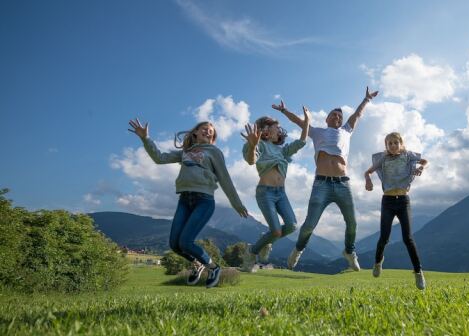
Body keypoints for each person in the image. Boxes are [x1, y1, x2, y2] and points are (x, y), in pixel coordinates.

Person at [128, 118, 248, 288]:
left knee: (186, 241)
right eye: (205, 129)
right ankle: (197, 264)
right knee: (175, 244)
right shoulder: (185, 152)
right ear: (196, 132)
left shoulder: (214, 151)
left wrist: (236, 204)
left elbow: (225, 178)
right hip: (184, 200)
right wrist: (145, 139)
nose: (208, 132)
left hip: (204, 200)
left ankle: (213, 267)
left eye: (211, 132)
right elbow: (159, 158)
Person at [273, 87, 378, 271]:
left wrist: (366, 99)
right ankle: (298, 249)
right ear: (327, 118)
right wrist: (284, 111)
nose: (337, 117)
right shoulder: (317, 132)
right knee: (309, 225)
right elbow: (299, 122)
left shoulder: (347, 131)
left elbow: (357, 115)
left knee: (352, 223)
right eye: (334, 115)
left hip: (342, 184)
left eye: (340, 116)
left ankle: (349, 251)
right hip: (321, 183)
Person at [240, 106, 311, 270]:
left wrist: (307, 121)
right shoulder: (259, 145)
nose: (280, 130)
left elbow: (301, 142)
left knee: (292, 225)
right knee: (277, 231)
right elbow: (251, 161)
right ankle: (252, 251)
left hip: (281, 194)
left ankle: (265, 243)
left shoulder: (281, 151)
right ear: (265, 130)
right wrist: (252, 145)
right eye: (276, 127)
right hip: (265, 193)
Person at [364, 132, 428, 290]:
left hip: (403, 200)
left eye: (395, 143)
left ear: (401, 143)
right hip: (387, 201)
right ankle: (378, 262)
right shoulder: (383, 159)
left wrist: (421, 166)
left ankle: (418, 272)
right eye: (389, 143)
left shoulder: (408, 155)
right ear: (386, 145)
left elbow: (425, 160)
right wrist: (368, 181)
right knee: (384, 237)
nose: (392, 145)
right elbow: (368, 171)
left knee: (408, 238)